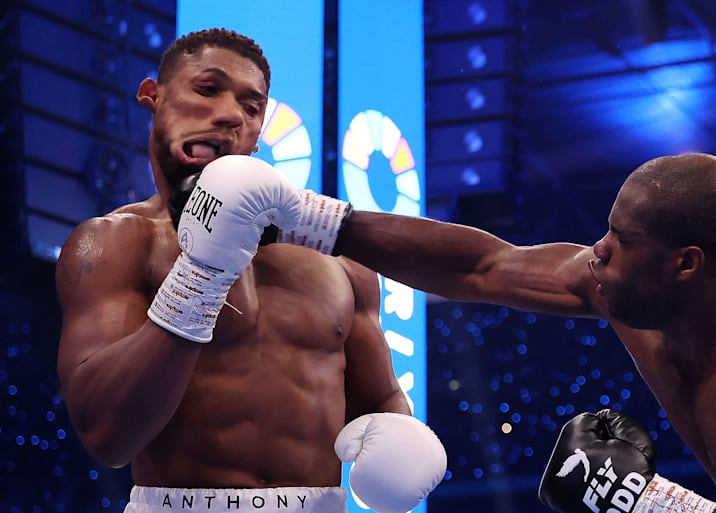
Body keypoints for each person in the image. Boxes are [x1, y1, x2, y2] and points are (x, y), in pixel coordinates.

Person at [320, 152, 716, 513]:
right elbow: (481, 268)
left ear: (685, 263)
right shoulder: (624, 292)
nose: (597, 251)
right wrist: (318, 223)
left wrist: (655, 505)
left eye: (622, 240)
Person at [55, 28, 445, 513]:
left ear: (259, 134)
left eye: (252, 106)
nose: (229, 114)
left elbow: (380, 397)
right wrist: (200, 276)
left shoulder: (338, 260)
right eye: (207, 88)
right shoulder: (114, 243)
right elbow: (106, 435)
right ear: (153, 96)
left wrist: (401, 436)